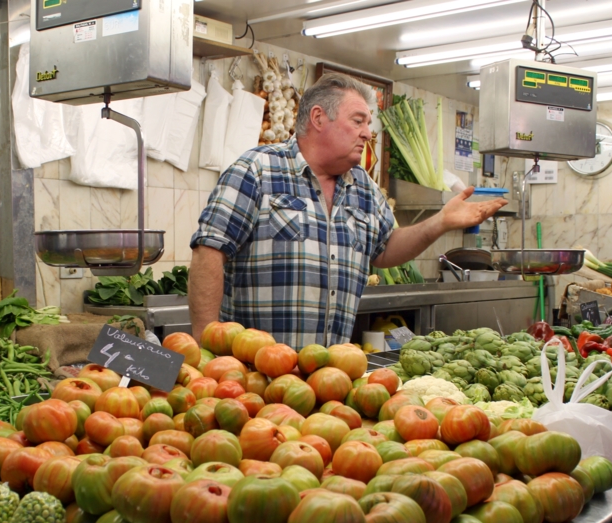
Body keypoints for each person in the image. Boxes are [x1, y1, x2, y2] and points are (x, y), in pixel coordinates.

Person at [188, 72, 507, 351]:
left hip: (329, 380)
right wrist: (205, 345)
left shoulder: (363, 187)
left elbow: (384, 250)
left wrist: (439, 223)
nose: (368, 133)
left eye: (369, 123)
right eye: (359, 121)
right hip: (253, 380)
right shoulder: (257, 170)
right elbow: (209, 251)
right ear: (318, 118)